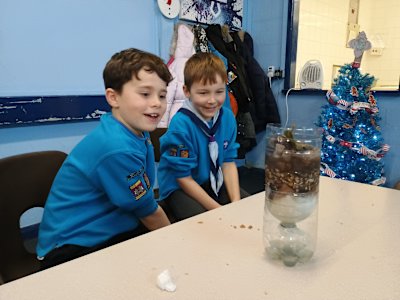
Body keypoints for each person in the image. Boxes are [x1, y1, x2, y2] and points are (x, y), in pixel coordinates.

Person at [36, 48, 173, 269]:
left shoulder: (134, 129)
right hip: (71, 247)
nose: (157, 103)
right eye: (145, 94)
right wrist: (175, 243)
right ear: (113, 97)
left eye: (162, 95)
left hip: (110, 226)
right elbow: (148, 211)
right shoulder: (117, 147)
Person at [157, 52, 245, 221]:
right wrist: (218, 210)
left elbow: (228, 162)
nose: (212, 100)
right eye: (203, 93)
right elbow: (183, 178)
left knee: (247, 210)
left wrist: (236, 203)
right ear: (187, 91)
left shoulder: (227, 118)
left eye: (219, 91)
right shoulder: (181, 126)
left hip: (211, 180)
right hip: (179, 187)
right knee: (208, 226)